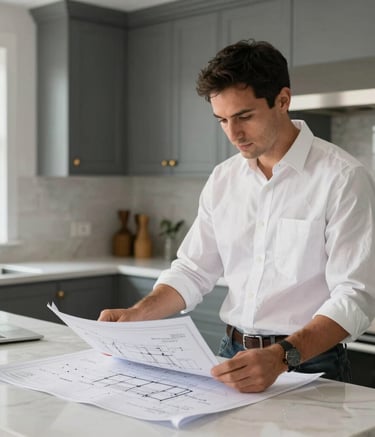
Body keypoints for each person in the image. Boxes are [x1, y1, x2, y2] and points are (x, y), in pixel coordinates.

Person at [99, 40, 375, 393]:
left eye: (244, 117)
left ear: (283, 100)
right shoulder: (223, 178)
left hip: (309, 363)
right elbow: (194, 269)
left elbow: (355, 296)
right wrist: (135, 315)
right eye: (222, 120)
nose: (234, 134)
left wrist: (281, 357)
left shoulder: (342, 178)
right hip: (230, 354)